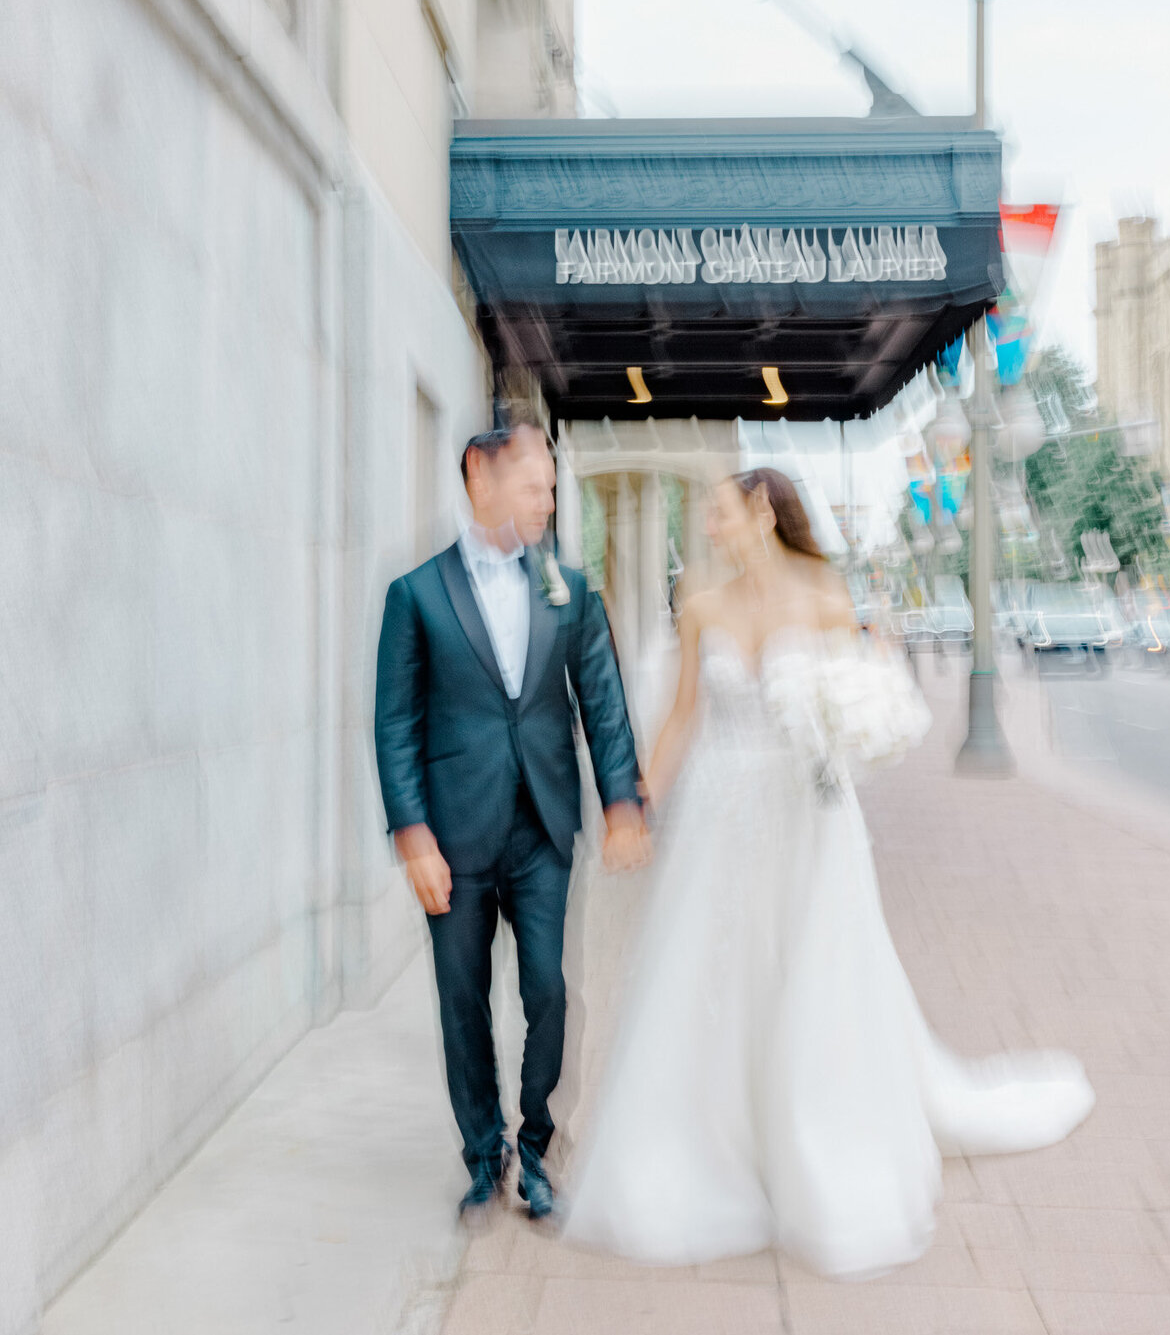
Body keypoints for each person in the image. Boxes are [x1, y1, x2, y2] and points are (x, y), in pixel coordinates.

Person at [563, 467, 1093, 1277]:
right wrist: (634, 806)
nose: (705, 522)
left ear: (761, 510)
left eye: (716, 508)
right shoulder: (700, 604)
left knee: (813, 970)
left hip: (810, 813)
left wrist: (857, 726)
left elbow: (859, 695)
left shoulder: (826, 591)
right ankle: (708, 1148)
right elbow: (681, 720)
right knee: (714, 971)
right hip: (720, 814)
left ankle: (819, 1146)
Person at [374, 423, 649, 1225]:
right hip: (452, 839)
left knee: (548, 991)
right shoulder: (415, 594)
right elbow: (395, 724)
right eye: (534, 485)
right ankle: (481, 1151)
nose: (548, 500)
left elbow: (601, 696)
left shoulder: (569, 585)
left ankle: (534, 1143)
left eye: (552, 488)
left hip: (541, 826)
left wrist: (622, 799)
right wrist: (411, 832)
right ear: (478, 477)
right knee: (462, 1001)